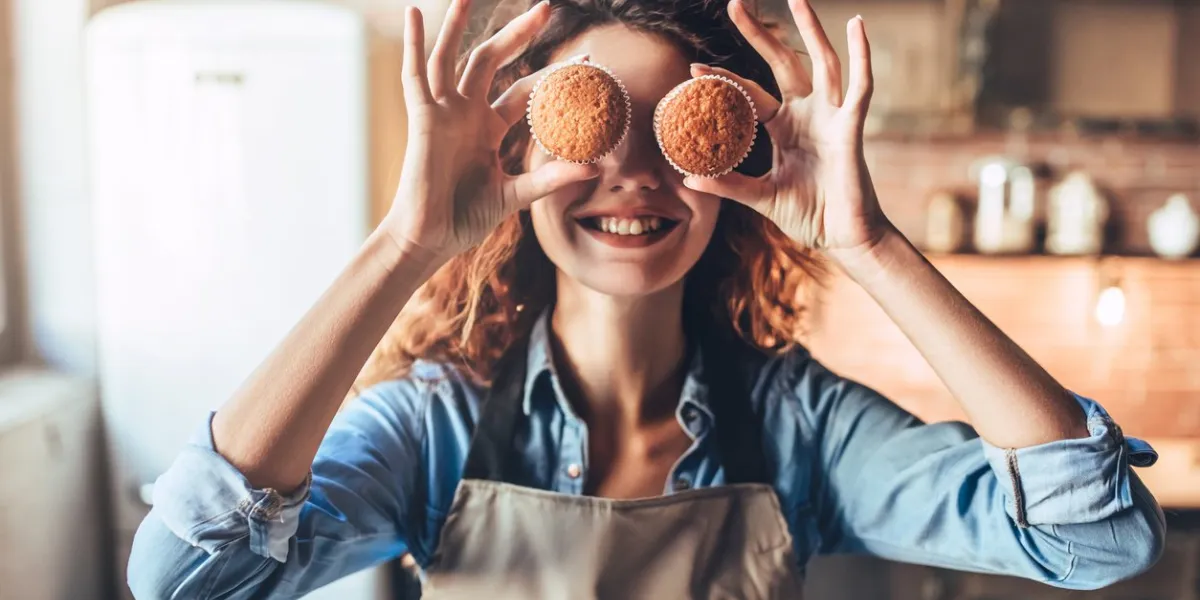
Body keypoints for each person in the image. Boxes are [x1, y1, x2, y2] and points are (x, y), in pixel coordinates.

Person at [126, 0, 1165, 597]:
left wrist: (870, 242)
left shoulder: (798, 429)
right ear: (519, 159)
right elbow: (181, 578)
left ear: (728, 172)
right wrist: (406, 245)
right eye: (591, 129)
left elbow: (1097, 538)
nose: (634, 176)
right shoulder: (434, 429)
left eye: (672, 134)